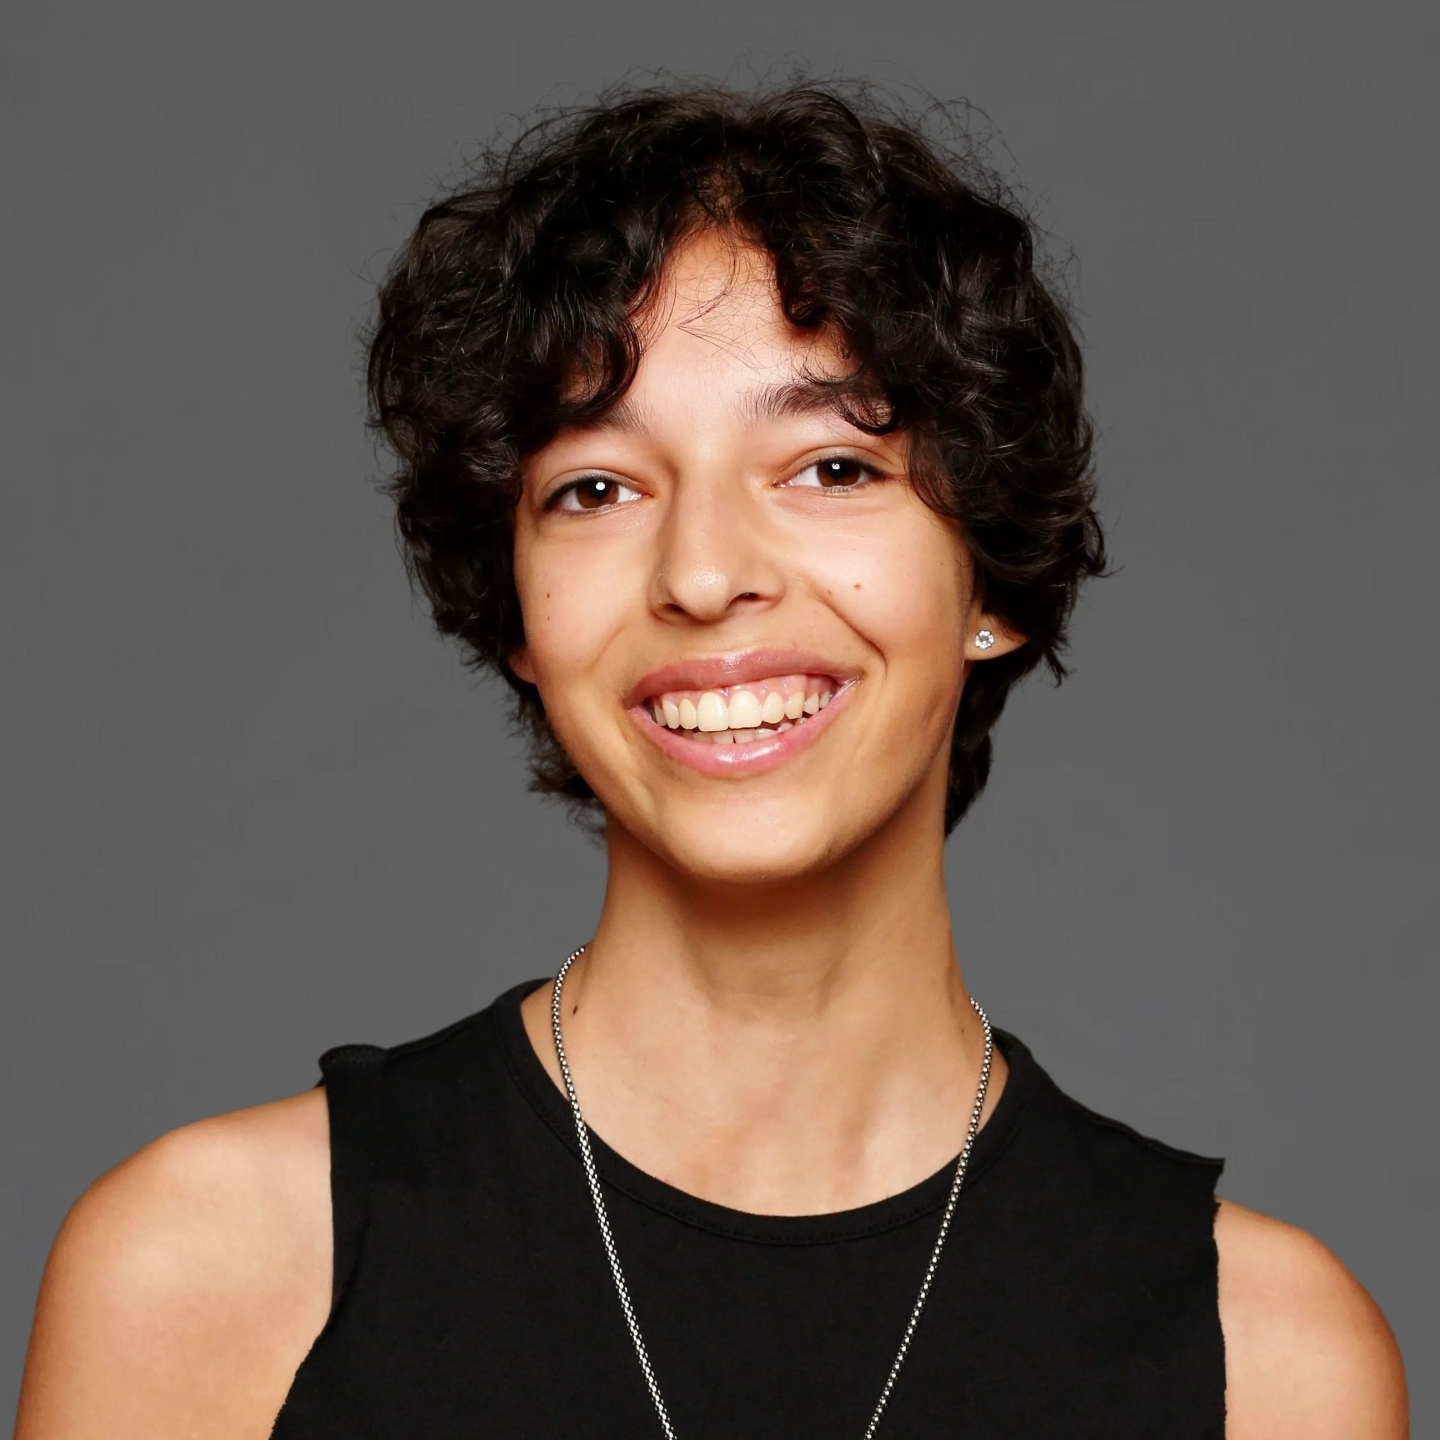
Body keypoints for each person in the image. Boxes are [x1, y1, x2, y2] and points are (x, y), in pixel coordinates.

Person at [15, 80, 1408, 1440]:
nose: (700, 571)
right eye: (596, 489)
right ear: (519, 616)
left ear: (992, 575)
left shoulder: (1267, 1361)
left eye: (830, 467)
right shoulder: (213, 1274)